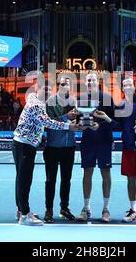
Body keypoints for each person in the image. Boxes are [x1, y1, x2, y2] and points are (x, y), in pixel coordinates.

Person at [13, 84, 81, 226]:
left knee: (22, 179)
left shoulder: (35, 100)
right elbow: (47, 122)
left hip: (26, 144)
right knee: (24, 181)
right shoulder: (37, 105)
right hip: (25, 145)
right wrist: (68, 125)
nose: (47, 93)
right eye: (45, 90)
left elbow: (40, 121)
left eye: (49, 91)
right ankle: (25, 216)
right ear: (37, 90)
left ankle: (21, 210)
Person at [94, 77, 136, 227]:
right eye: (124, 85)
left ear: (134, 88)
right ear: (123, 89)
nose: (127, 87)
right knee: (130, 180)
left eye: (129, 84)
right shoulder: (120, 106)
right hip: (128, 147)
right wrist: (106, 118)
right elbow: (117, 125)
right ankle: (133, 211)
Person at [76, 72, 115, 223]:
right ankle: (86, 208)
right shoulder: (80, 99)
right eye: (88, 80)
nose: (90, 82)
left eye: (93, 80)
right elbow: (79, 121)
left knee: (106, 174)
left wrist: (100, 125)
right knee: (87, 174)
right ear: (85, 83)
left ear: (97, 81)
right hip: (88, 141)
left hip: (104, 141)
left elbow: (113, 120)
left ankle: (106, 209)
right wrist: (79, 124)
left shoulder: (107, 98)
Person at [43, 76, 78, 223]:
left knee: (66, 180)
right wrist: (65, 117)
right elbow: (47, 123)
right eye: (62, 84)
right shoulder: (50, 102)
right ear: (58, 85)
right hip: (52, 147)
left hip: (69, 147)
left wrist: (81, 122)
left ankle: (64, 208)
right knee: (51, 180)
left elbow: (77, 122)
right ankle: (49, 210)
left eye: (67, 84)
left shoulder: (74, 102)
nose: (64, 86)